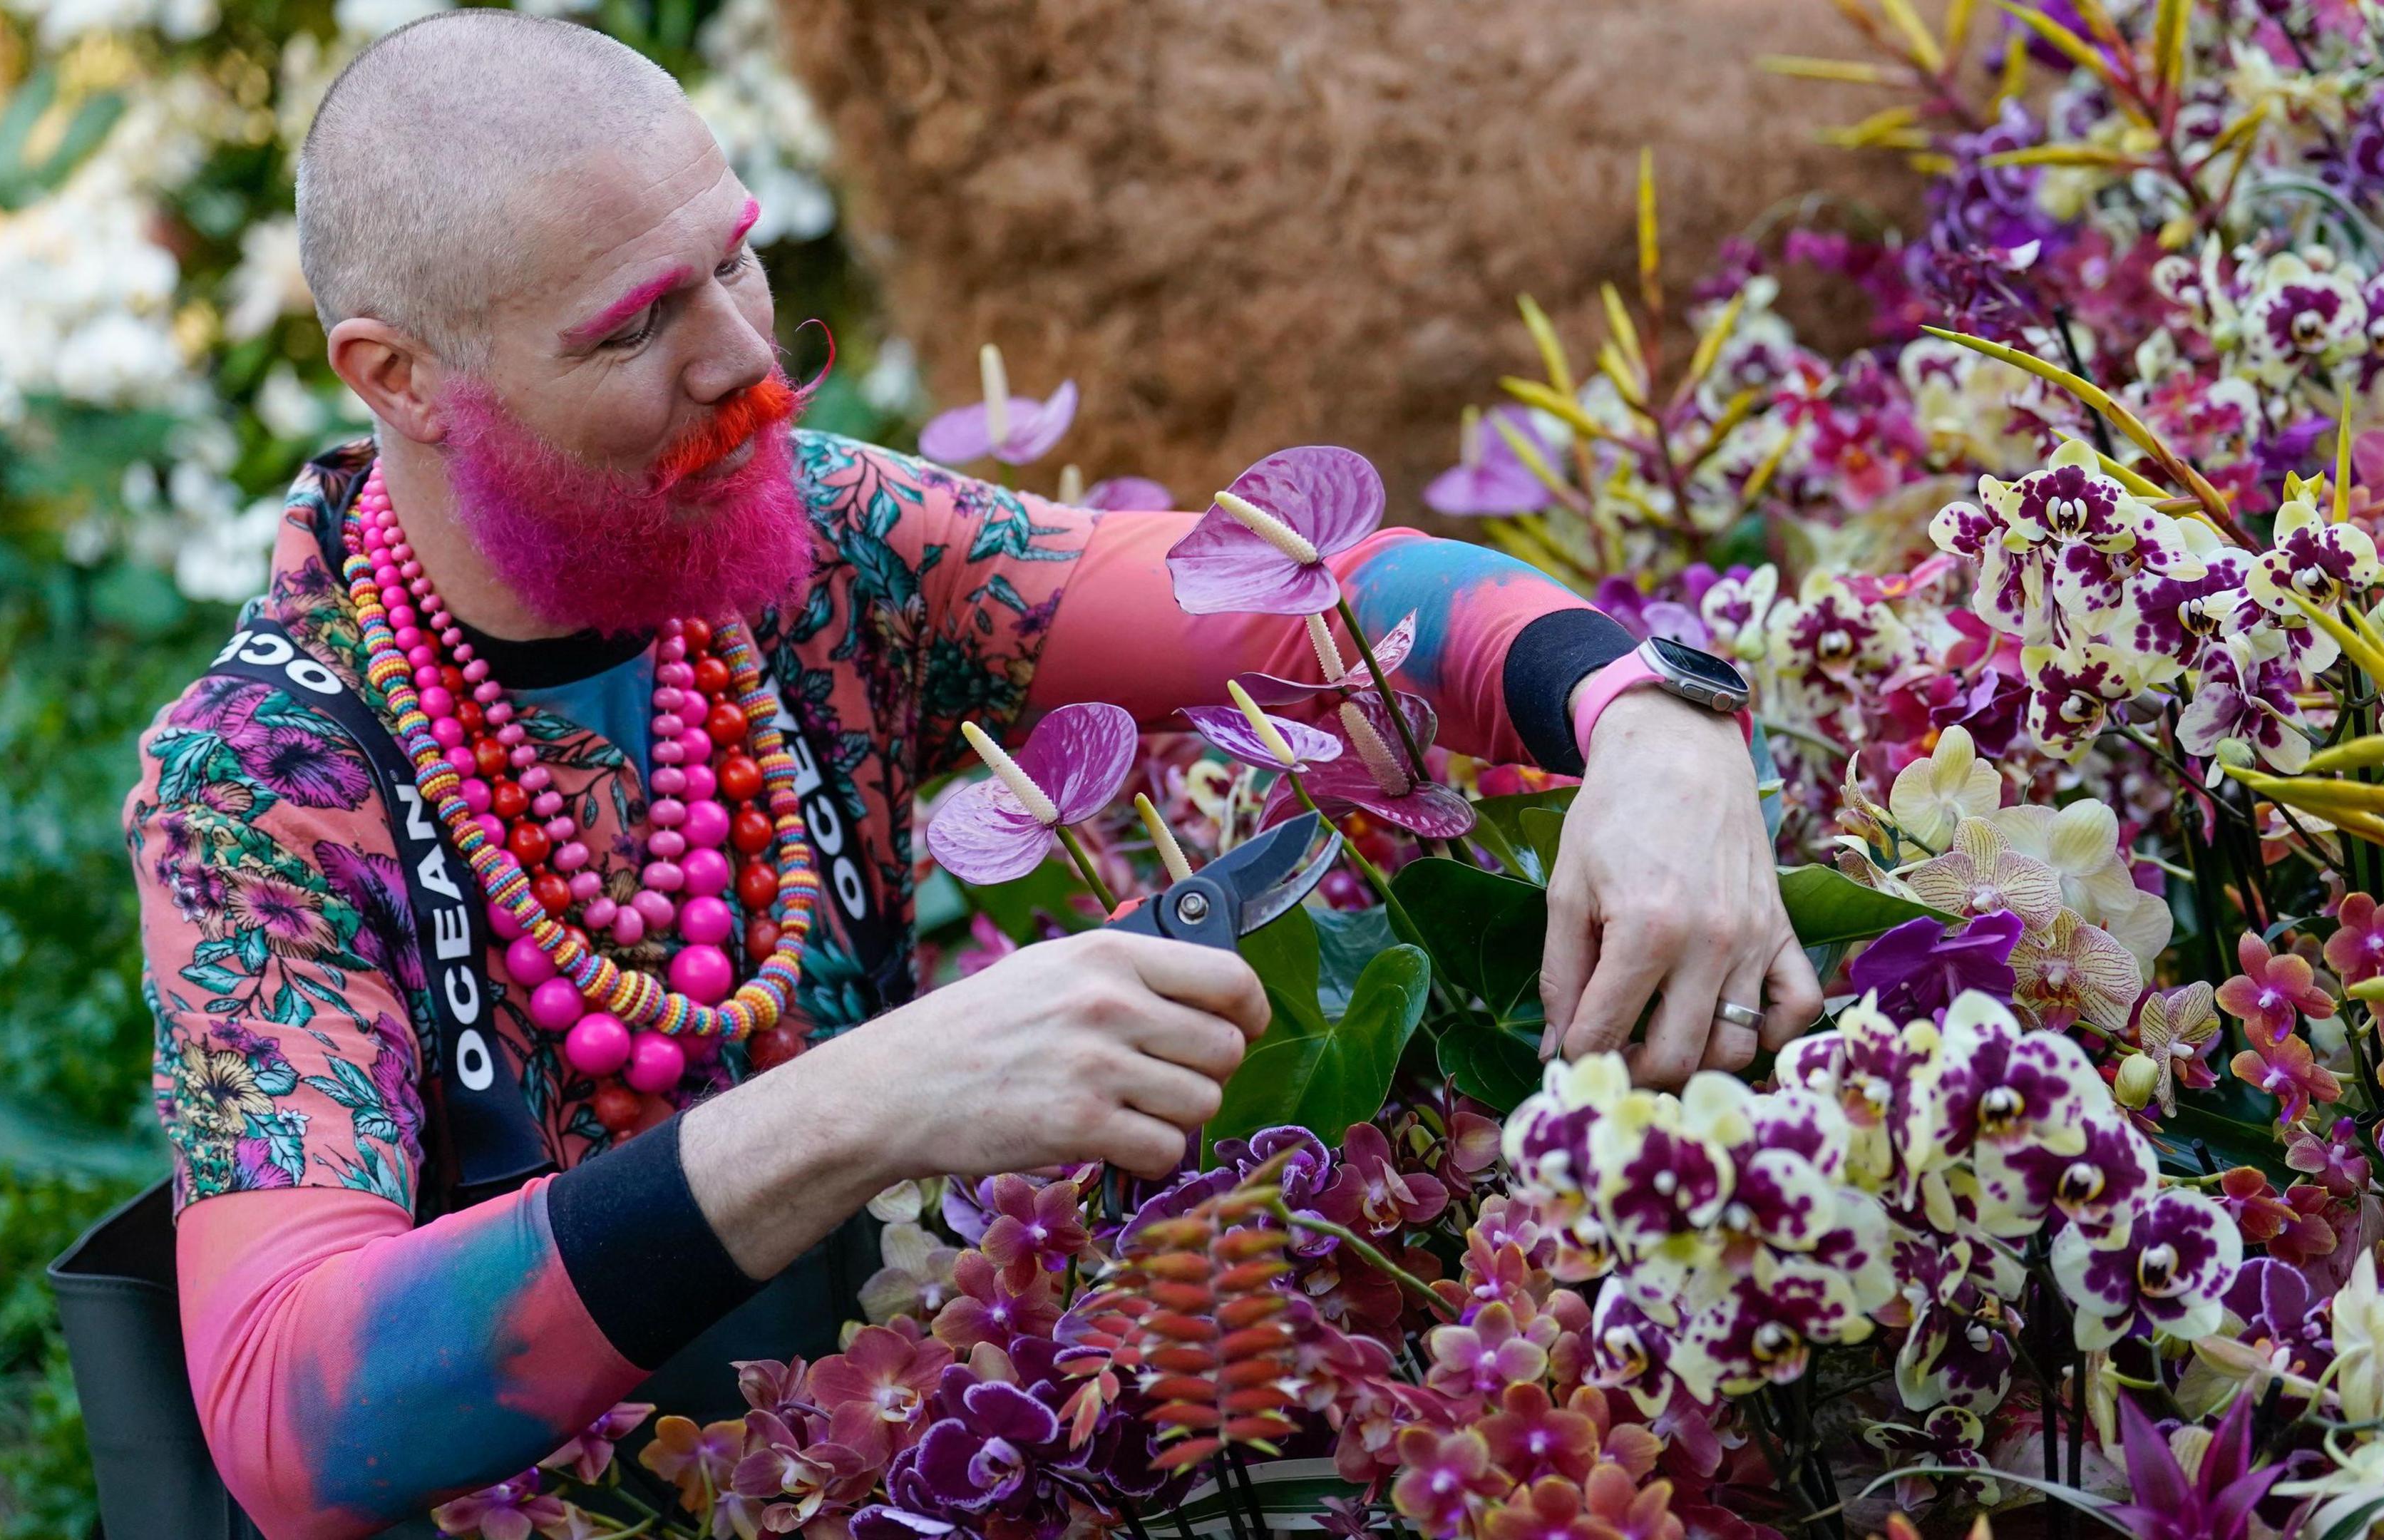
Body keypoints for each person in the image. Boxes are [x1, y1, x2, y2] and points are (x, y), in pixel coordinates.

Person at [116, 11, 1817, 1536]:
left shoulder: (822, 542)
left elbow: (1310, 600)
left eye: (737, 262)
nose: (744, 362)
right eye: (635, 325)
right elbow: (293, 1411)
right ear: (398, 377)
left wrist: (1650, 714)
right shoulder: (264, 779)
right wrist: (867, 1103)